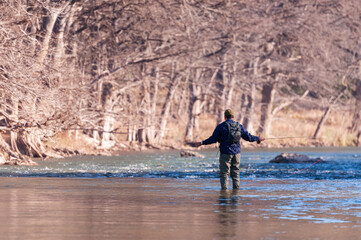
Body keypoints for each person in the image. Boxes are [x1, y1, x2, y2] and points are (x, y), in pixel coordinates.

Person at [192, 109, 265, 190]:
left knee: (224, 173)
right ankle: (236, 192)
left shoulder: (221, 126)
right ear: (233, 117)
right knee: (235, 172)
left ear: (225, 117)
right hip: (236, 153)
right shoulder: (239, 126)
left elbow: (213, 139)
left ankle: (224, 193)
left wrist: (201, 143)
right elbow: (249, 137)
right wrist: (258, 138)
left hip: (225, 153)